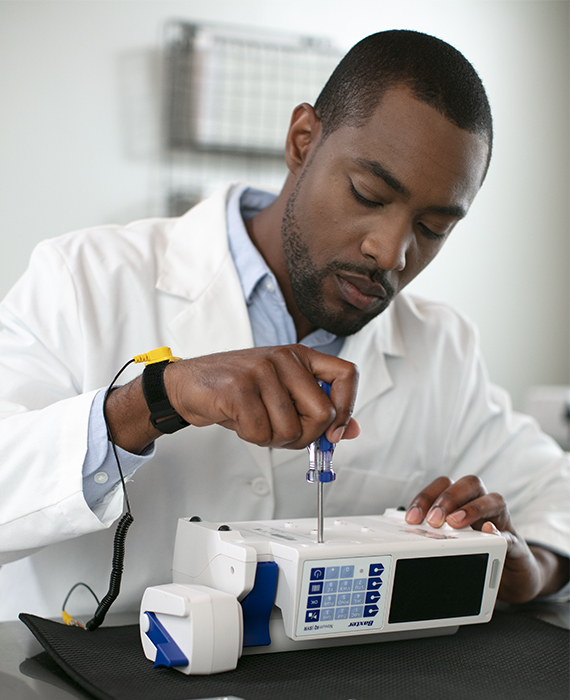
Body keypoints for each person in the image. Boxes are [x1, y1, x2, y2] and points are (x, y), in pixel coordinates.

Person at [0, 30, 567, 622]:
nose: (391, 251)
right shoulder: (83, 278)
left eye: (433, 227)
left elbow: (556, 498)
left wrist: (531, 570)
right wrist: (154, 399)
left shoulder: (441, 348)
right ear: (302, 142)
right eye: (368, 194)